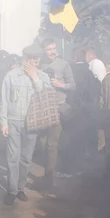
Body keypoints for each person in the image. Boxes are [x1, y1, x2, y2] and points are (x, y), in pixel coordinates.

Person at [0, 44, 52, 205]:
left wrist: (35, 78)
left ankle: (21, 188)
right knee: (12, 158)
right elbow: (4, 100)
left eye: (37, 58)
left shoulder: (43, 76)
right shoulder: (11, 75)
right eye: (31, 58)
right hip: (14, 121)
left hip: (32, 122)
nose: (34, 61)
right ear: (25, 58)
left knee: (26, 158)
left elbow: (48, 96)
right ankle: (12, 190)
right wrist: (3, 122)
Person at [38, 38, 75, 188]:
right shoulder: (39, 64)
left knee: (51, 144)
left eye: (54, 48)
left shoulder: (64, 64)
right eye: (49, 49)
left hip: (57, 107)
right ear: (43, 51)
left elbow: (73, 85)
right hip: (41, 108)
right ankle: (48, 173)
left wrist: (61, 84)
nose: (52, 52)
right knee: (41, 143)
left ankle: (50, 179)